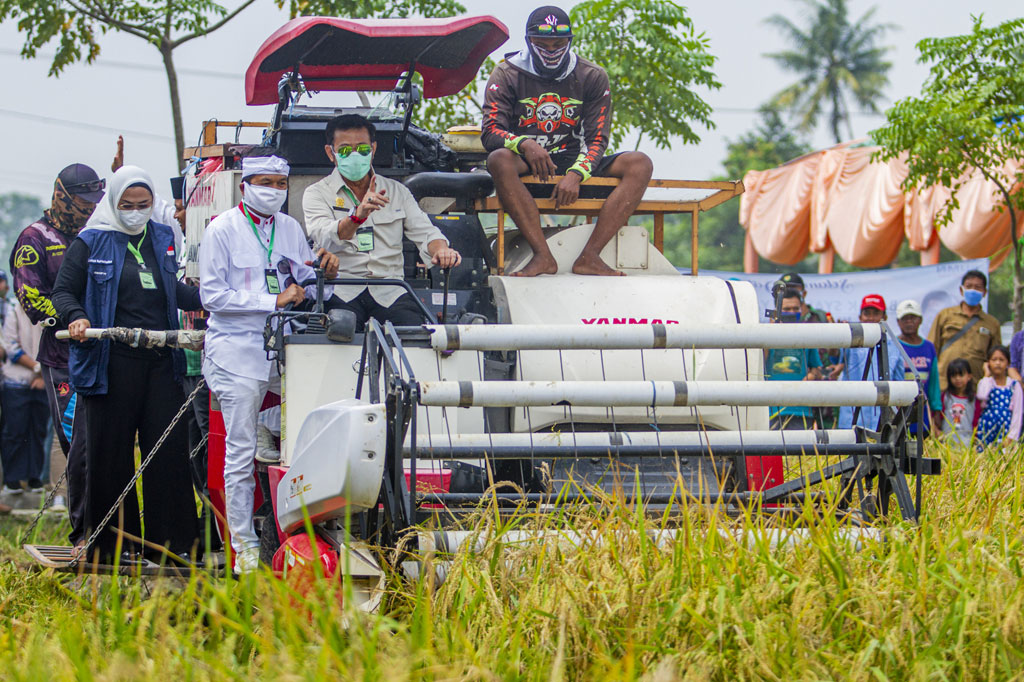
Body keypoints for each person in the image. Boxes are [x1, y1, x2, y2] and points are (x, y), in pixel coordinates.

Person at [52, 165, 203, 562]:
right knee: (110, 454)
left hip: (159, 360)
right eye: (127, 205)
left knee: (167, 451)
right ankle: (112, 545)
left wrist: (213, 299)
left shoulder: (162, 236)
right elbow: (64, 291)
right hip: (111, 360)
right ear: (113, 203)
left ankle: (171, 545)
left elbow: (173, 291)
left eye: (144, 204)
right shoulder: (91, 241)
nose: (135, 211)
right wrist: (77, 317)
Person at [201, 149, 338, 574]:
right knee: (239, 455)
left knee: (309, 432)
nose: (273, 192)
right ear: (245, 186)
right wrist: (269, 301)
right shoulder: (222, 230)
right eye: (265, 184)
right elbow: (213, 297)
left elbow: (308, 290)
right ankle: (242, 548)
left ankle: (299, 536)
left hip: (286, 351)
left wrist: (324, 276)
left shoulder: (291, 227)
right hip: (236, 352)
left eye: (281, 185)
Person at [481, 6, 653, 277]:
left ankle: (590, 256)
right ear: (529, 42)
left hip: (574, 165)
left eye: (559, 44)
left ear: (570, 41)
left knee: (640, 163)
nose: (551, 51)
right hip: (528, 170)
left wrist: (577, 173)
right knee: (498, 159)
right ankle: (542, 256)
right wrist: (526, 144)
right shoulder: (506, 74)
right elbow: (491, 132)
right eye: (542, 44)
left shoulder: (592, 75)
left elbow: (597, 138)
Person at [10, 162, 102, 544]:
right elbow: (30, 298)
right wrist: (73, 316)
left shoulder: (97, 235)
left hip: (105, 350)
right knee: (77, 445)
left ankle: (109, 528)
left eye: (94, 202)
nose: (87, 209)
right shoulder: (35, 238)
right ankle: (83, 532)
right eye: (82, 202)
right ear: (61, 195)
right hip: (63, 357)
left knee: (103, 444)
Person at [303, 114, 460, 330]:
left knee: (416, 333)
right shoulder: (316, 193)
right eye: (346, 150)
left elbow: (426, 232)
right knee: (338, 331)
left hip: (391, 289)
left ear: (373, 149)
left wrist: (442, 250)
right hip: (342, 288)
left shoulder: (398, 191)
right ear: (331, 153)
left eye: (363, 149)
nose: (356, 156)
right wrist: (357, 216)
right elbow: (323, 236)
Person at [0, 301, 49, 503]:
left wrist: (43, 374)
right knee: (15, 431)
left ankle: (34, 478)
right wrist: (38, 369)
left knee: (38, 432)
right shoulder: (13, 308)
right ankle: (12, 480)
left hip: (44, 381)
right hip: (16, 380)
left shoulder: (48, 308)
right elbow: (10, 347)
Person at [832, 294, 905, 430]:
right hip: (852, 420)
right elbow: (834, 354)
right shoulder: (849, 342)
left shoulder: (895, 346)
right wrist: (839, 334)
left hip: (883, 422)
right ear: (860, 317)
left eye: (876, 313)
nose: (871, 318)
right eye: (867, 313)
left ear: (884, 318)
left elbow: (899, 384)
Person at [928, 270, 1001, 391]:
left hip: (975, 387)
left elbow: (995, 358)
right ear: (961, 290)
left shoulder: (992, 324)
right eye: (969, 286)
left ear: (984, 292)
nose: (973, 290)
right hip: (944, 384)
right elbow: (931, 349)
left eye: (978, 287)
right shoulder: (945, 315)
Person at [765, 288, 822, 429]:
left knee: (799, 450)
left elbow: (817, 368)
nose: (791, 313)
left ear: (802, 309)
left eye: (795, 308)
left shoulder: (807, 334)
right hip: (770, 409)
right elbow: (759, 361)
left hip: (801, 409)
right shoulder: (765, 333)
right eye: (786, 309)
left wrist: (811, 376)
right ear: (777, 310)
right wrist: (770, 331)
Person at [896, 299, 943, 435]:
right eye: (905, 318)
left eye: (913, 318)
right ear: (898, 321)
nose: (909, 322)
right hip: (900, 412)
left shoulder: (928, 347)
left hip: (923, 413)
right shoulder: (893, 345)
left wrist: (936, 410)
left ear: (920, 320)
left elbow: (934, 382)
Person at [975, 345, 1022, 447]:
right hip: (986, 429)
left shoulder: (1014, 385)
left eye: (1001, 360)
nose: (997, 363)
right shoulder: (986, 382)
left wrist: (1012, 436)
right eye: (994, 359)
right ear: (988, 363)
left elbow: (1017, 413)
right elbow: (981, 395)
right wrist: (986, 375)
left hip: (1005, 430)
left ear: (1008, 363)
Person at [939, 359, 979, 445]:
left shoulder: (974, 400)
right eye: (953, 376)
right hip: (947, 443)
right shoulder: (945, 397)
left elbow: (976, 421)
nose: (957, 378)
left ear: (969, 376)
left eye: (961, 375)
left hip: (967, 443)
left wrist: (974, 441)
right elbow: (939, 416)